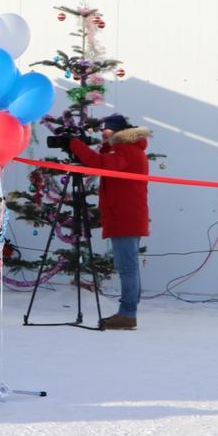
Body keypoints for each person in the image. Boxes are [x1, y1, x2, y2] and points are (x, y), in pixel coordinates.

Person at [69, 113, 151, 330]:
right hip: (127, 215)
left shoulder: (126, 150)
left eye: (106, 132)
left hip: (124, 216)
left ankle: (127, 313)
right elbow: (107, 162)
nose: (103, 136)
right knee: (130, 266)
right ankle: (129, 311)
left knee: (127, 267)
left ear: (117, 132)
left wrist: (74, 144)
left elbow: (100, 164)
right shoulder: (130, 149)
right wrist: (104, 147)